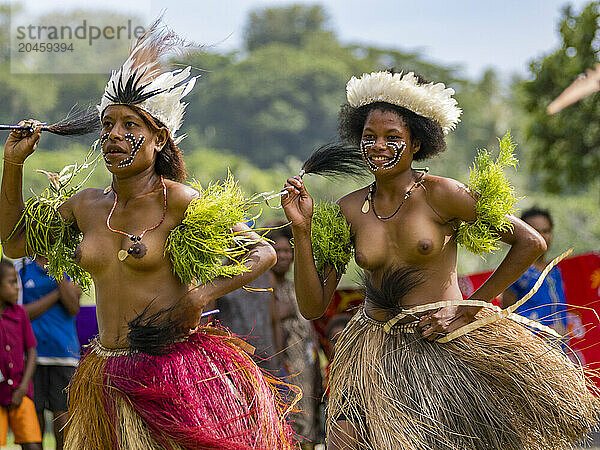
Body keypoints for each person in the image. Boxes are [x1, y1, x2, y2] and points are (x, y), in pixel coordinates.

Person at [0, 23, 295, 449]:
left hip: (172, 372)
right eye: (107, 124)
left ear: (160, 138)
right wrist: (13, 167)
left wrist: (199, 297)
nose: (114, 135)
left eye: (129, 124)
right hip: (106, 374)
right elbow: (14, 243)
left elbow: (263, 252)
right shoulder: (86, 206)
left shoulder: (179, 201)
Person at [282, 70, 599, 449]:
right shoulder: (348, 209)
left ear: (417, 142)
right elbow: (313, 306)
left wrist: (470, 308)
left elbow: (529, 242)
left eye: (392, 137)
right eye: (369, 137)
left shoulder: (442, 194)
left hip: (441, 345)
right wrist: (301, 230)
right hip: (372, 353)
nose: (378, 145)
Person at [14, 256, 80, 450]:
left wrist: (59, 273)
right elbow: (21, 313)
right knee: (34, 418)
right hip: (31, 356)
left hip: (64, 355)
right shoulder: (23, 268)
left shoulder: (70, 265)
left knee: (63, 418)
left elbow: (73, 307)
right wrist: (55, 295)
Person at [267, 220, 322, 447]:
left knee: (308, 429)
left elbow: (311, 332)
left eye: (288, 251)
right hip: (281, 371)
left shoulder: (297, 288)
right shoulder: (261, 289)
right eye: (278, 251)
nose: (284, 256)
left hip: (306, 372)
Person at [502, 207, 568, 334]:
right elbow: (507, 313)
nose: (542, 236)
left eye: (546, 231)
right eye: (536, 231)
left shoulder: (555, 270)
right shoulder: (516, 270)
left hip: (558, 346)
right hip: (530, 346)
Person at [0, 258, 42, 450]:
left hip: (20, 391)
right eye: (11, 282)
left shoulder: (20, 314)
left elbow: (31, 351)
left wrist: (24, 386)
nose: (18, 288)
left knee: (33, 444)